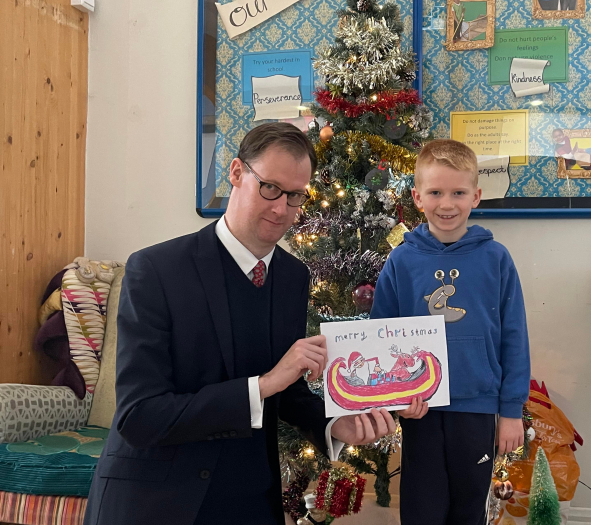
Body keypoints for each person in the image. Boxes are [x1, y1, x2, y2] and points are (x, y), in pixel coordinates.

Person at [84, 123, 396, 525]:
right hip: (155, 501)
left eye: (295, 195)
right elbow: (138, 416)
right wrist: (264, 385)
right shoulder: (156, 270)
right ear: (236, 173)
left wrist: (336, 427)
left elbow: (288, 390)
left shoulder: (292, 277)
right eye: (269, 187)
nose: (281, 208)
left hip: (250, 499)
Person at [370, 139, 531, 525]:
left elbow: (514, 337)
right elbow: (382, 333)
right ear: (417, 197)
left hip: (476, 410)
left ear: (476, 195)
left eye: (458, 193)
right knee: (422, 507)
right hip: (420, 410)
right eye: (436, 192)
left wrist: (510, 412)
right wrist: (395, 400)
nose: (447, 203)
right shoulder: (401, 260)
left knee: (469, 507)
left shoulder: (496, 259)